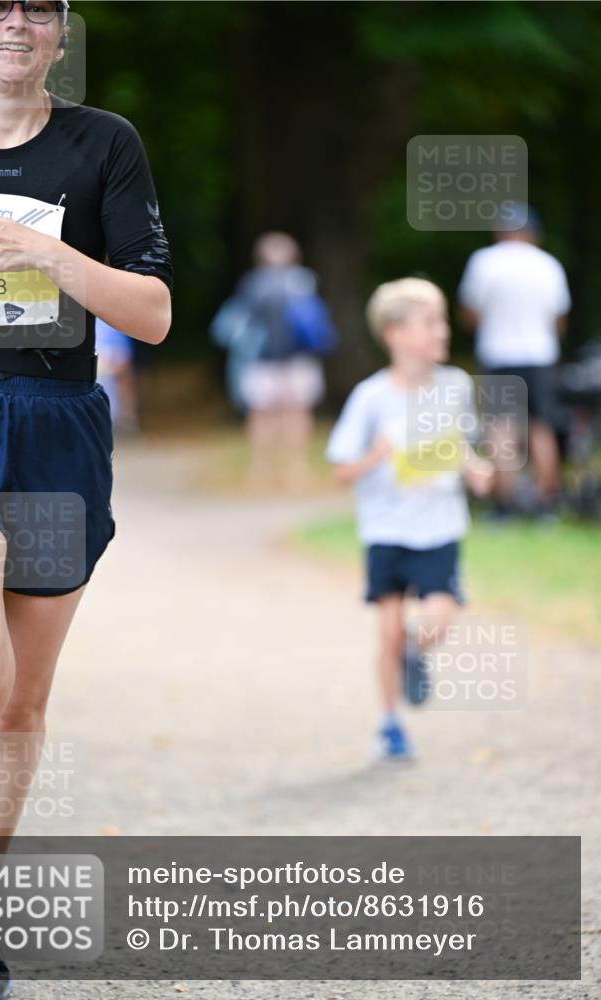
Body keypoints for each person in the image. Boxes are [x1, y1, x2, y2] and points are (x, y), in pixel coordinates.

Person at [0, 3, 173, 998]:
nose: (16, 23)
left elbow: (153, 315)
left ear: (62, 34)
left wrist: (53, 259)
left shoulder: (101, 144)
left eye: (38, 8)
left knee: (22, 705)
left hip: (55, 424)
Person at [326, 278, 491, 761]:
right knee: (388, 630)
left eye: (442, 321)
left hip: (439, 527)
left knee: (440, 615)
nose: (443, 331)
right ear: (395, 334)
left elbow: (460, 446)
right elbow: (340, 471)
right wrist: (376, 455)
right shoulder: (371, 398)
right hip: (387, 530)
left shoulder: (456, 386)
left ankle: (417, 649)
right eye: (431, 323)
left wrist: (475, 469)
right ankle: (389, 723)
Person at [458, 207, 571, 519]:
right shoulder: (548, 265)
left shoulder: (484, 261)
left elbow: (470, 313)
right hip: (540, 354)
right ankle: (545, 504)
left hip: (498, 353)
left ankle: (504, 504)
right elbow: (558, 318)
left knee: (500, 428)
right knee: (541, 427)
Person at [213, 232, 334, 488]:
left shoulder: (262, 284)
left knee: (289, 412)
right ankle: (271, 468)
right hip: (273, 360)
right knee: (272, 413)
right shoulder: (300, 282)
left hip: (280, 359)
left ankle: (285, 468)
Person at [95, 318, 140, 435]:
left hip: (111, 358)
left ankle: (126, 418)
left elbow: (123, 352)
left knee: (123, 377)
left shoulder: (111, 319)